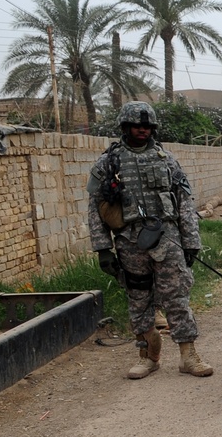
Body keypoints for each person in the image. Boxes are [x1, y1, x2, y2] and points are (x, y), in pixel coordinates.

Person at [87, 101, 213, 379]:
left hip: (167, 240)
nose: (142, 130)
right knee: (138, 299)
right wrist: (102, 248)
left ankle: (188, 355)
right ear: (125, 127)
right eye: (136, 125)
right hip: (130, 242)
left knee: (176, 296)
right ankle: (148, 356)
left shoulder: (167, 160)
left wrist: (192, 240)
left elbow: (184, 202)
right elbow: (96, 207)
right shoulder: (108, 163)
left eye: (147, 126)